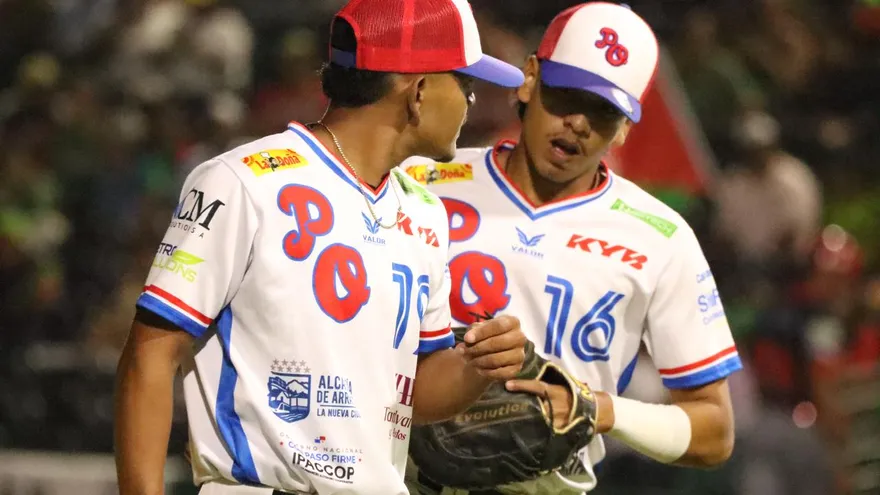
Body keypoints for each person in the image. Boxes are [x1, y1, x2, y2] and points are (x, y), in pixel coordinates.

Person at [113, 1, 527, 494]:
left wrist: (478, 366)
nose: (472, 102)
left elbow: (412, 395)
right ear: (418, 92)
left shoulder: (425, 212)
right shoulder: (242, 182)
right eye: (466, 84)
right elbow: (150, 355)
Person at [401, 3, 742, 493]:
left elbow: (715, 431)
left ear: (625, 126)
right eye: (566, 96)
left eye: (605, 111)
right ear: (530, 80)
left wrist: (599, 409)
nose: (579, 123)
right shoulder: (422, 182)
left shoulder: (661, 238)